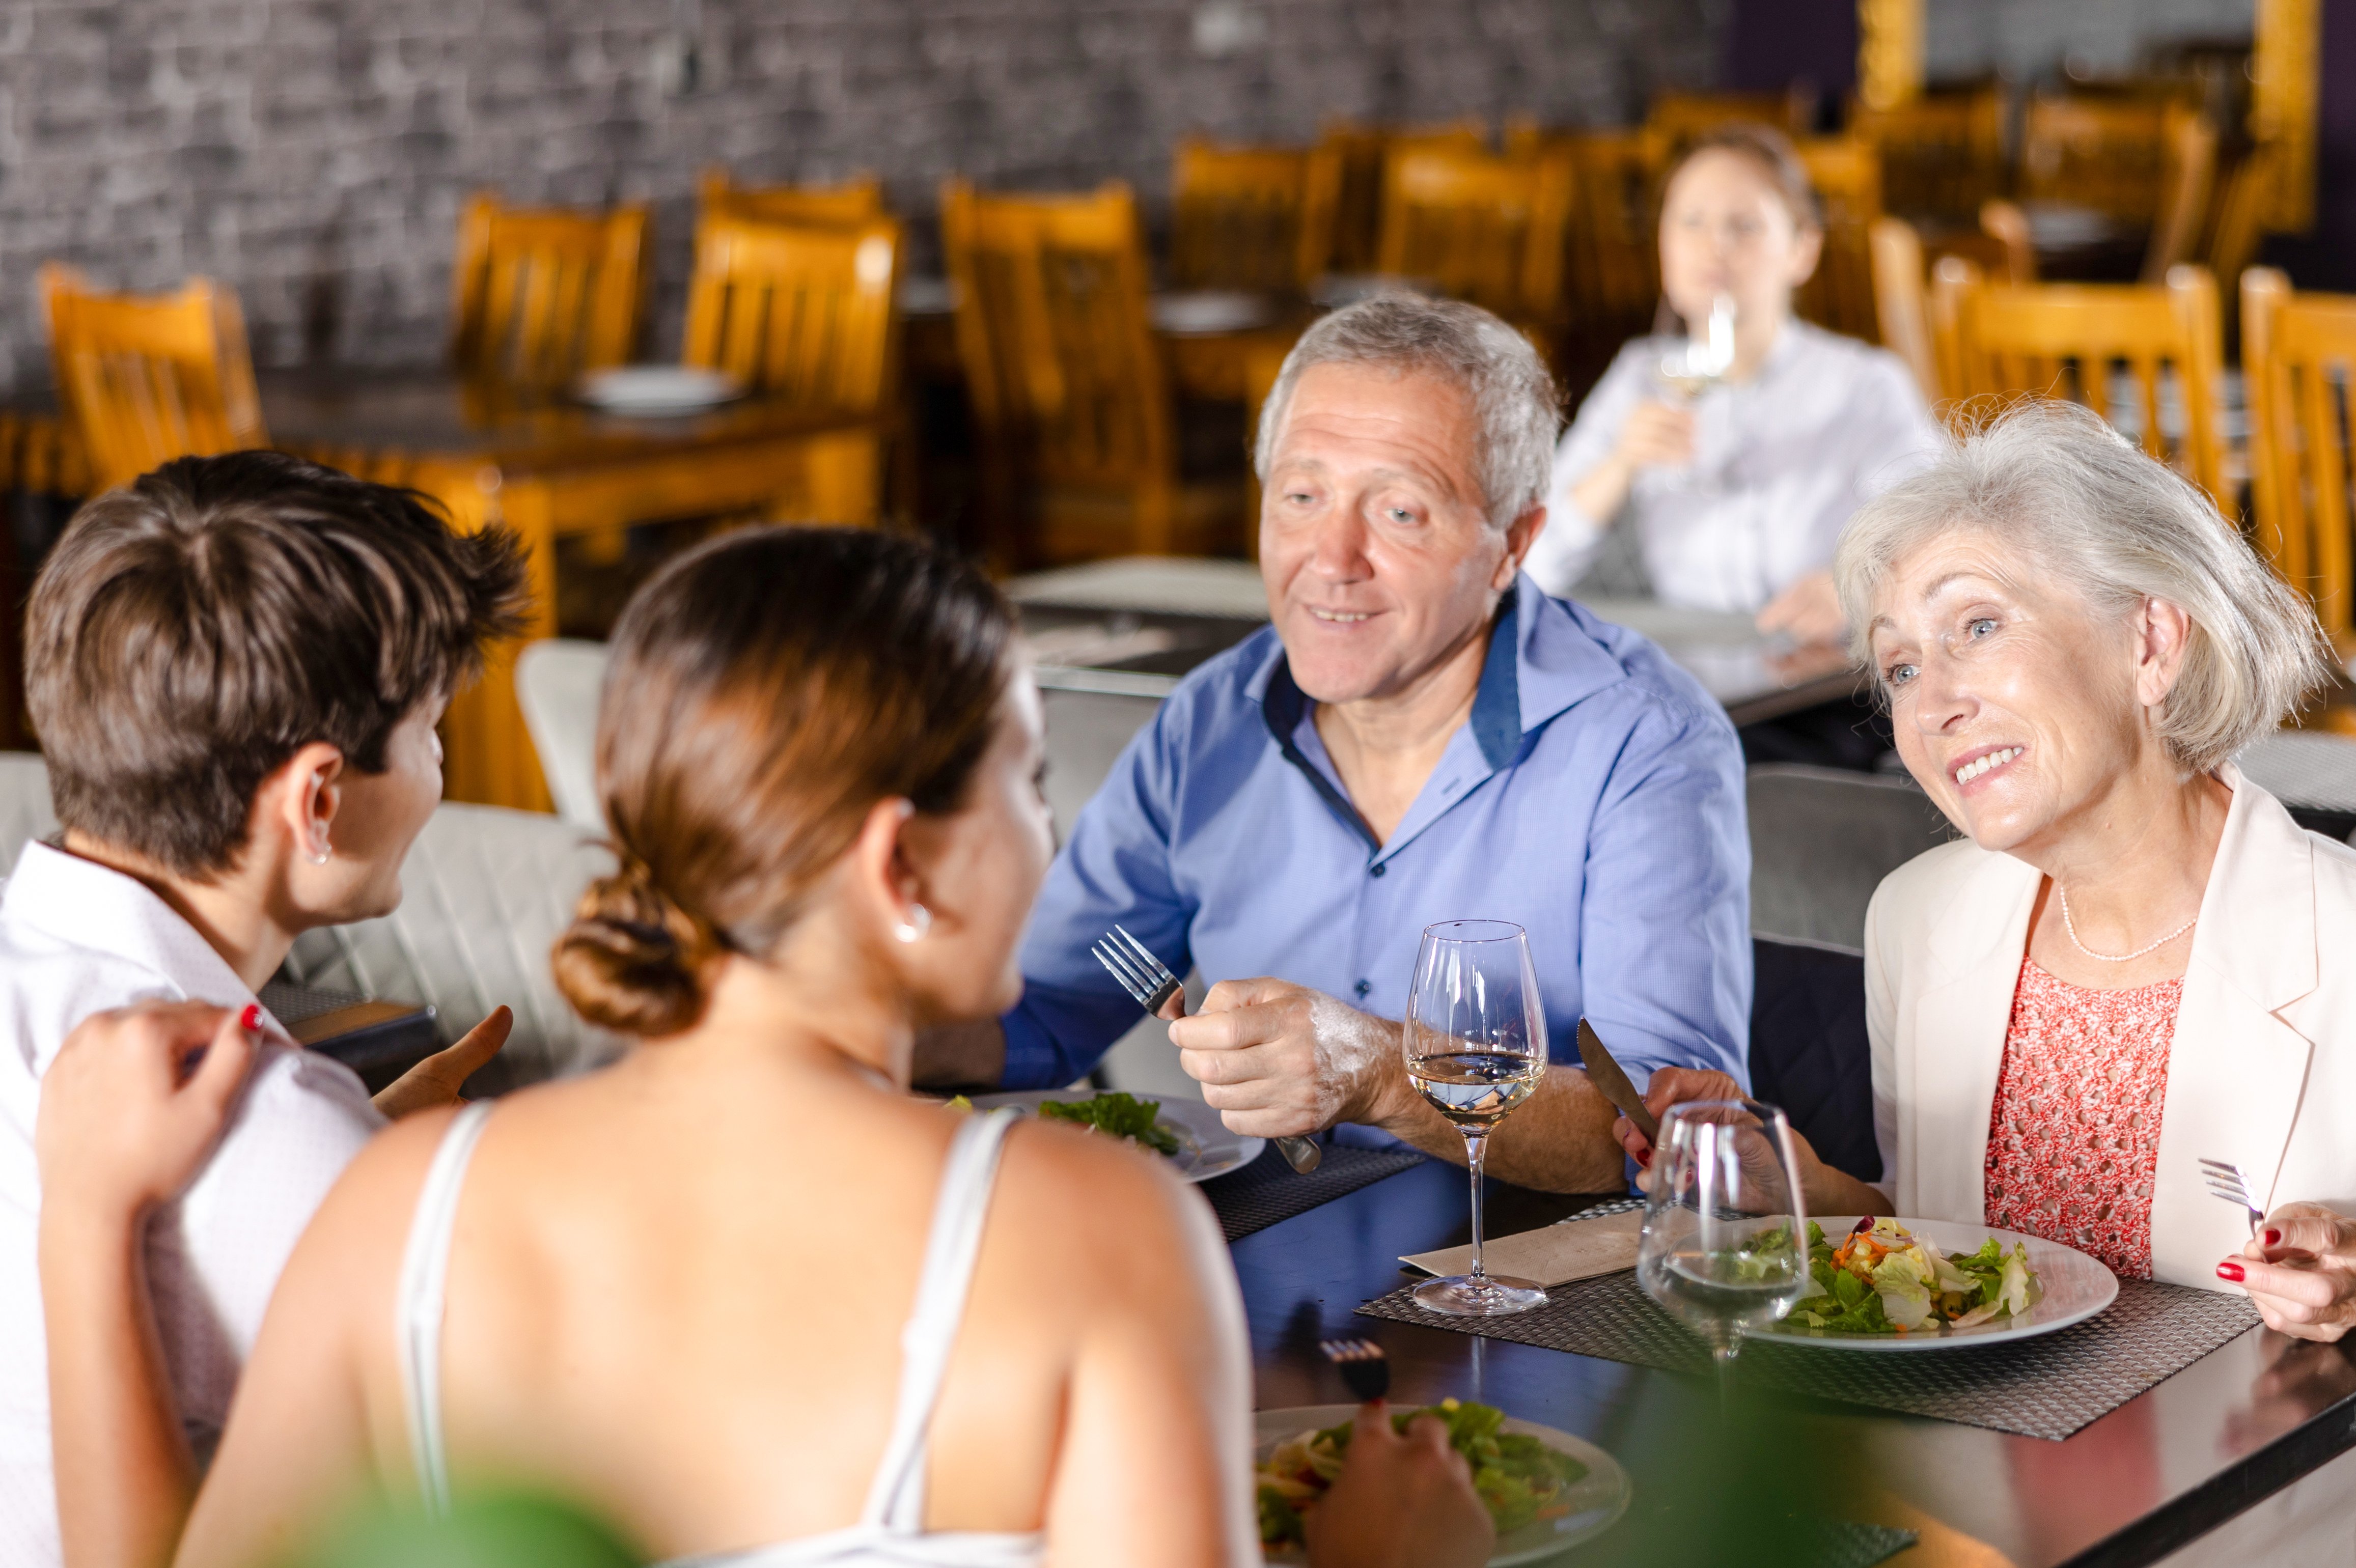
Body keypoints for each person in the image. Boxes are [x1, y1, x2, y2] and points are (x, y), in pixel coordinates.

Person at [122, 527, 1493, 1568]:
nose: (1051, 833)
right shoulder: (1089, 1236)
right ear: (902, 861)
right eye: (1025, 784)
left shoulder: (394, 1208)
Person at [1617, 400, 2356, 1566]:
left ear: (2150, 642)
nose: (1933, 701)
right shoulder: (1923, 922)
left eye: (1977, 626)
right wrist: (1817, 1196)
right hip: (1964, 1530)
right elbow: (1974, 1270)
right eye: (1899, 664)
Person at [920, 293, 1753, 1195]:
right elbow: (1042, 1017)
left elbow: (1661, 1140)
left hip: (1532, 1285)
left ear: (1512, 543)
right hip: (1262, 1253)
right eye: (1302, 496)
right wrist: (827, 1015)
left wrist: (1384, 1073)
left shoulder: (1645, 742)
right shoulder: (1209, 719)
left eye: (1399, 512)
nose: (1332, 555)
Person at [3, 452, 527, 1566]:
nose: (439, 768)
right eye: (434, 730)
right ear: (321, 798)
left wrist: (355, 1142)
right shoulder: (268, 1130)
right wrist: (334, 1160)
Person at [1526, 123, 1938, 768]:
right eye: (1689, 222)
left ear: (1801, 249)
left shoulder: (1862, 384)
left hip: (1821, 689)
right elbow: (1531, 563)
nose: (1712, 245)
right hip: (1682, 677)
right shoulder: (1643, 376)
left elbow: (1938, 536)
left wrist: (1854, 589)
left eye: (1743, 226)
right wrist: (1619, 464)